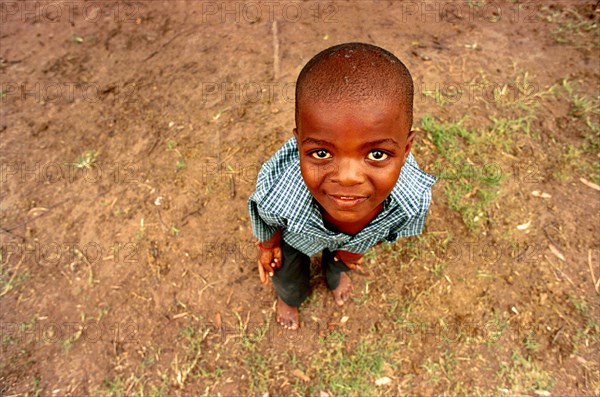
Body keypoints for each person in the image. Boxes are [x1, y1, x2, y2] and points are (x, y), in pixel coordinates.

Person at [248, 42, 436, 330]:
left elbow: (387, 231)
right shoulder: (278, 194)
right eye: (321, 153)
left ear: (406, 148)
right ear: (299, 145)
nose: (347, 177)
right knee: (285, 271)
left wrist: (355, 250)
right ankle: (291, 297)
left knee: (341, 262)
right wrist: (269, 244)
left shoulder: (412, 199)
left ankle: (335, 271)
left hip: (354, 244)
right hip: (293, 239)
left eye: (377, 154)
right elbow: (263, 215)